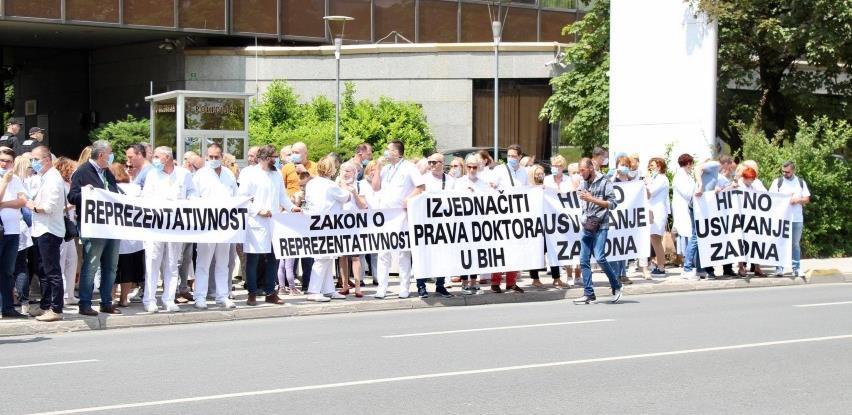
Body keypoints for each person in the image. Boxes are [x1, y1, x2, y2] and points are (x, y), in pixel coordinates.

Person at [238, 145, 299, 306]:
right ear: (264, 158)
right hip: (256, 221)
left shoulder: (276, 173)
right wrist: (258, 210)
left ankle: (270, 292)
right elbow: (243, 198)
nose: (276, 160)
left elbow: (282, 196)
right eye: (273, 157)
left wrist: (292, 208)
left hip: (274, 222)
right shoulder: (249, 173)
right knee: (253, 259)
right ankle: (252, 292)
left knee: (274, 258)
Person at [67, 141, 123, 316]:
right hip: (94, 227)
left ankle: (106, 302)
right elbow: (72, 196)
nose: (111, 157)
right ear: (101, 155)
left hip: (111, 226)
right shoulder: (82, 172)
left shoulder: (107, 173)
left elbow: (113, 193)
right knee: (91, 265)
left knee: (111, 266)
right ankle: (85, 303)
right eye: (109, 154)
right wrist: (86, 193)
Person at [140, 146, 196, 313]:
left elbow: (192, 191)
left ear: (168, 158)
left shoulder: (184, 174)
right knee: (153, 261)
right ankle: (149, 299)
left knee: (172, 263)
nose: (155, 159)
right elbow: (146, 196)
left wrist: (191, 200)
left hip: (175, 225)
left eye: (158, 156)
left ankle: (169, 299)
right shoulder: (152, 174)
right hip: (155, 225)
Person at [371, 140, 424, 299]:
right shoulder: (386, 168)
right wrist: (378, 168)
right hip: (386, 216)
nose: (386, 152)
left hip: (402, 215)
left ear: (396, 152)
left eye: (389, 149)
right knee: (383, 252)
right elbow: (375, 187)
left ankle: (404, 287)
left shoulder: (409, 167)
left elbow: (420, 187)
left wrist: (409, 199)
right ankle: (382, 288)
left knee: (403, 253)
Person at [302, 157, 356, 302]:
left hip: (314, 223)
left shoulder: (312, 183)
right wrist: (346, 187)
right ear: (331, 170)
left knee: (327, 258)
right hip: (327, 225)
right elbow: (346, 197)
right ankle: (313, 291)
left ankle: (328, 290)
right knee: (322, 258)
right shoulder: (330, 185)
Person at [192, 143, 238, 309]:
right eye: (210, 157)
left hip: (225, 225)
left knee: (223, 262)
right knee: (203, 262)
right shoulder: (200, 175)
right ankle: (200, 296)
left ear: (221, 156)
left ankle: (222, 295)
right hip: (206, 224)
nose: (213, 160)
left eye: (216, 157)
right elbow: (193, 198)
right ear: (206, 156)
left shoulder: (228, 175)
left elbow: (236, 197)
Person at [573, 157, 623, 304]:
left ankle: (616, 285)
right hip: (587, 224)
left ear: (591, 169)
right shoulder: (584, 182)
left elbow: (613, 204)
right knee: (583, 260)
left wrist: (591, 199)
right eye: (579, 171)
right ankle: (589, 293)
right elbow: (584, 202)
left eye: (582, 170)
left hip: (601, 225)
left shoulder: (605, 181)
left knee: (600, 257)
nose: (580, 174)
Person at [27, 145, 66, 321]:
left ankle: (56, 309)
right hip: (41, 229)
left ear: (47, 159)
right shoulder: (44, 177)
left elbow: (49, 207)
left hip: (49, 230)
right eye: (32, 160)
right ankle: (45, 305)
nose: (33, 163)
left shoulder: (53, 179)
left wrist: (31, 205)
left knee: (52, 271)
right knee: (43, 270)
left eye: (36, 159)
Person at [489, 144, 528, 293]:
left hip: (517, 216)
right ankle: (495, 282)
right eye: (509, 156)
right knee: (501, 249)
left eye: (514, 156)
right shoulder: (499, 170)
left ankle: (511, 282)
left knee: (516, 250)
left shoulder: (523, 172)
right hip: (502, 216)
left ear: (520, 157)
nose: (511, 158)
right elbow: (491, 188)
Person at [414, 152, 454, 298]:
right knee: (423, 254)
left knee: (442, 255)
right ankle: (421, 285)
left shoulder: (450, 180)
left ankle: (440, 285)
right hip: (425, 223)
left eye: (434, 162)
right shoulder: (423, 180)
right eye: (429, 162)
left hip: (443, 223)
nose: (431, 165)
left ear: (442, 164)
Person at [454, 153, 492, 295]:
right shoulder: (459, 182)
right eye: (469, 167)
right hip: (463, 224)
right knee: (465, 254)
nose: (471, 170)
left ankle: (474, 282)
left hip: (478, 224)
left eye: (474, 167)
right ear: (465, 167)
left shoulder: (483, 184)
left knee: (476, 254)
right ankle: (464, 283)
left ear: (478, 167)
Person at [110, 162, 145, 307]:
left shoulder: (109, 190)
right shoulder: (136, 189)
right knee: (128, 270)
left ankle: (110, 297)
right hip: (133, 238)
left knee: (112, 269)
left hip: (115, 236)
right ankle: (124, 299)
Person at [541, 154, 579, 287]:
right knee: (556, 246)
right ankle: (563, 275)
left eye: (558, 166)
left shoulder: (568, 180)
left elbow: (574, 196)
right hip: (552, 219)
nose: (555, 168)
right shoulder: (546, 180)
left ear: (562, 167)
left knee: (569, 245)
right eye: (553, 165)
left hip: (567, 219)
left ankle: (575, 274)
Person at [0, 147, 28, 318]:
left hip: (13, 230)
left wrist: (4, 204)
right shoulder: (6, 178)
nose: (4, 164)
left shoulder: (15, 178)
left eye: (8, 161)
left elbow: (23, 201)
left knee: (8, 271)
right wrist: (4, 181)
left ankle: (8, 307)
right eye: (2, 160)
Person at [770, 161, 810, 278]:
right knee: (780, 242)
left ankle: (796, 268)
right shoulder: (777, 182)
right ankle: (779, 268)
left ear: (793, 170)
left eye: (787, 172)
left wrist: (797, 200)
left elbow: (807, 198)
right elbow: (770, 198)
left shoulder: (800, 182)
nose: (784, 173)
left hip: (797, 218)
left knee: (795, 244)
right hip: (782, 218)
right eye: (783, 171)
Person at [335, 161, 368, 298]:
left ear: (355, 173)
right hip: (340, 223)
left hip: (354, 224)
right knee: (342, 256)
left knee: (355, 257)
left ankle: (358, 286)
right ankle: (344, 285)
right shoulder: (335, 186)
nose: (346, 173)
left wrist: (354, 194)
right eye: (343, 170)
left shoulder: (359, 185)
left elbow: (363, 206)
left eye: (349, 170)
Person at [53, 157, 79, 306]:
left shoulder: (70, 184)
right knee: (61, 260)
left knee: (72, 260)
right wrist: (71, 206)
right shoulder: (59, 184)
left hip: (70, 225)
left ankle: (69, 294)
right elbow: (57, 207)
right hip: (61, 225)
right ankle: (61, 294)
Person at [735, 166, 767, 278]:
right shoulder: (737, 185)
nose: (752, 181)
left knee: (755, 242)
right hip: (741, 219)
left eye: (753, 179)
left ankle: (757, 267)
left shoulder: (753, 187)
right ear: (745, 177)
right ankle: (741, 267)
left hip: (752, 219)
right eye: (750, 179)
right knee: (741, 243)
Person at [609, 156, 635, 284]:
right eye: (621, 164)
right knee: (614, 245)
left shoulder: (632, 181)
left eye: (625, 164)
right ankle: (615, 275)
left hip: (626, 217)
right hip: (614, 216)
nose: (623, 167)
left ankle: (623, 273)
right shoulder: (614, 179)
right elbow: (608, 187)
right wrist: (615, 174)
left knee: (624, 245)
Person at [645, 157, 670, 277]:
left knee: (656, 238)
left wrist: (648, 182)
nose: (650, 167)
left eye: (653, 165)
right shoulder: (656, 178)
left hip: (658, 212)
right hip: (653, 211)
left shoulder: (662, 179)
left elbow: (651, 192)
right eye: (650, 165)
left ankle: (661, 267)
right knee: (654, 239)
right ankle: (659, 264)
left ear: (659, 167)